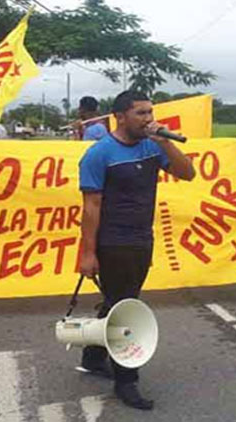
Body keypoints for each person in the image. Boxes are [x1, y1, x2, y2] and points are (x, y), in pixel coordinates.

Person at [77, 90, 195, 410]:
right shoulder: (99, 154)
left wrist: (164, 142)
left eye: (150, 112)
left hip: (143, 238)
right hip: (113, 241)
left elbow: (188, 173)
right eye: (141, 113)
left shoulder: (151, 145)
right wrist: (87, 253)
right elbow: (91, 206)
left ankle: (92, 355)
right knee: (127, 308)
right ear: (120, 117)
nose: (149, 119)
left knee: (118, 301)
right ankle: (127, 381)